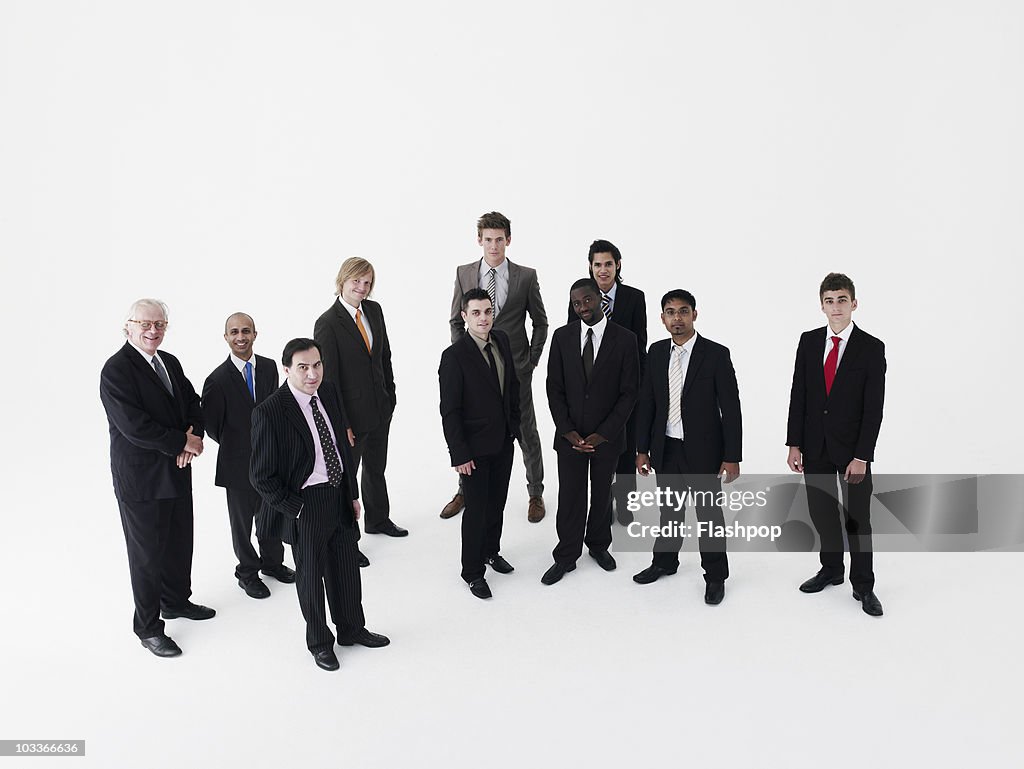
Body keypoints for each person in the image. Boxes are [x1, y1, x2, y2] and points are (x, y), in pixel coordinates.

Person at [250, 338, 390, 670]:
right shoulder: (270, 412)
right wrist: (295, 508)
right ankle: (319, 643)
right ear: (287, 369)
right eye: (303, 367)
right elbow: (260, 476)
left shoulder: (327, 392)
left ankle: (352, 629)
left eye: (317, 365)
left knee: (346, 569)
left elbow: (341, 448)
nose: (312, 374)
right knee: (311, 578)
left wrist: (351, 493)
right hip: (305, 504)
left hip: (337, 494)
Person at [99, 298, 215, 658]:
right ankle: (148, 628)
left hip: (177, 469)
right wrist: (183, 441)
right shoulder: (116, 370)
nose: (153, 330)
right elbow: (135, 427)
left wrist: (192, 437)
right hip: (142, 479)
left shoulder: (169, 362)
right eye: (145, 324)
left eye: (160, 324)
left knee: (180, 542)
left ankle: (176, 601)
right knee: (147, 555)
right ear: (128, 326)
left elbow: (194, 403)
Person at [632, 290, 742, 605]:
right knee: (669, 512)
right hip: (666, 448)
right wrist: (642, 449)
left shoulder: (716, 354)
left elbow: (731, 408)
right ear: (662, 318)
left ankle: (716, 576)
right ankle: (665, 562)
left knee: (708, 516)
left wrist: (732, 456)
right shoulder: (655, 353)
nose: (676, 318)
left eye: (683, 311)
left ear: (694, 314)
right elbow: (647, 404)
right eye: (670, 312)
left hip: (705, 452)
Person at [786, 273, 886, 617]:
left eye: (842, 300)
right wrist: (794, 443)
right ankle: (831, 570)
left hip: (852, 452)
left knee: (858, 520)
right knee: (822, 513)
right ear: (822, 306)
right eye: (829, 301)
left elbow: (874, 408)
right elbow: (799, 393)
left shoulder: (871, 348)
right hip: (815, 446)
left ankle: (864, 585)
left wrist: (862, 456)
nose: (836, 307)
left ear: (854, 303)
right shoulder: (809, 341)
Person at [441, 211, 548, 523]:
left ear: (508, 240)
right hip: (474, 370)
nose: (493, 245)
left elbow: (540, 322)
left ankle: (535, 493)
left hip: (514, 368)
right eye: (488, 239)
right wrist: (463, 359)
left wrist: (530, 361)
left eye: (499, 239)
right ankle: (465, 489)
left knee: (526, 429)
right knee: (472, 427)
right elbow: (454, 320)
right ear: (479, 240)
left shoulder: (525, 276)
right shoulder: (464, 273)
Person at [541, 278, 639, 585]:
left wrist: (603, 434)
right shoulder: (561, 337)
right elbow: (553, 388)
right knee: (570, 496)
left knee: (601, 494)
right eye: (576, 303)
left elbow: (629, 393)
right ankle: (566, 555)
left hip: (606, 439)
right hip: (570, 437)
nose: (583, 307)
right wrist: (567, 431)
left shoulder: (625, 339)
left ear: (600, 299)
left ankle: (598, 546)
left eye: (587, 300)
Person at [315, 257, 405, 569]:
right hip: (351, 417)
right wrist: (343, 423)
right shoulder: (328, 323)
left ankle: (378, 519)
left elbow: (384, 356)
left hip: (380, 408)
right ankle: (346, 540)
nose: (362, 288)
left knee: (376, 467)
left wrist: (390, 394)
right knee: (346, 480)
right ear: (342, 281)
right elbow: (329, 380)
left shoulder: (374, 310)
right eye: (357, 281)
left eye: (367, 282)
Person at [201, 312, 293, 600]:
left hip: (270, 458)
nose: (241, 337)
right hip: (236, 463)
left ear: (255, 334)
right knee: (241, 523)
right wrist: (241, 445)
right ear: (226, 337)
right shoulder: (216, 380)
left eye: (246, 331)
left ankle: (273, 564)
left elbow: (275, 408)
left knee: (272, 513)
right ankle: (248, 573)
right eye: (234, 332)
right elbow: (213, 427)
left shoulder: (268, 368)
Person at [439, 289, 522, 599]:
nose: (483, 318)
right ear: (465, 317)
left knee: (497, 503)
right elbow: (450, 411)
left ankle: (491, 551)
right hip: (473, 450)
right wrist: (459, 453)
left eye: (487, 312)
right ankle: (472, 571)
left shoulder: (501, 340)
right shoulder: (454, 356)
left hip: (503, 441)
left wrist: (513, 426)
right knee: (475, 511)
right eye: (476, 313)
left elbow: (512, 387)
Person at [566, 239, 647, 525]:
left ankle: (625, 504)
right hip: (590, 390)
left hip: (624, 387)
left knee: (623, 448)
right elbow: (571, 344)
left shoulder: (634, 298)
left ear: (618, 265)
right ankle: (596, 507)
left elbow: (640, 345)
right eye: (597, 264)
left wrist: (635, 389)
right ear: (590, 267)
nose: (603, 270)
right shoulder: (578, 297)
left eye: (608, 264)